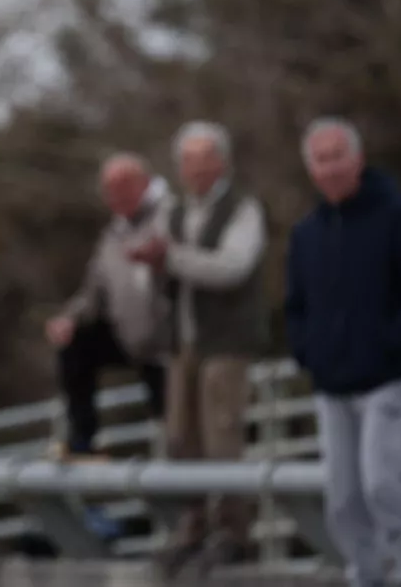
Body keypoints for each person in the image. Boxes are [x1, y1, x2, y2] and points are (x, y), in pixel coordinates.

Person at [285, 118, 401, 587]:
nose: (330, 168)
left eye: (337, 156)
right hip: (332, 385)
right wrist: (307, 351)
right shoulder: (306, 233)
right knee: (343, 497)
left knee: (383, 484)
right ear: (311, 169)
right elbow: (296, 304)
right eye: (321, 160)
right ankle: (365, 575)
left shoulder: (399, 217)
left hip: (390, 379)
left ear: (358, 159)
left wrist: (395, 342)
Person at [131, 121, 269, 573]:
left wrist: (170, 259)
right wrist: (152, 265)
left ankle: (233, 532)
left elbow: (232, 267)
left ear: (221, 162)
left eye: (202, 159)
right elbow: (143, 273)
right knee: (180, 439)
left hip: (225, 343)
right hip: (183, 342)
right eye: (187, 161)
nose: (193, 169)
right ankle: (193, 527)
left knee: (222, 435)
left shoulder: (242, 209)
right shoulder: (171, 211)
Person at [45, 153, 170, 460]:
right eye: (110, 188)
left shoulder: (171, 217)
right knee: (75, 342)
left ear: (145, 183)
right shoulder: (112, 235)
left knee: (174, 429)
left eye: (125, 185)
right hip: (128, 335)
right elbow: (92, 293)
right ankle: (83, 439)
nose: (117, 195)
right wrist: (67, 319)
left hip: (169, 341)